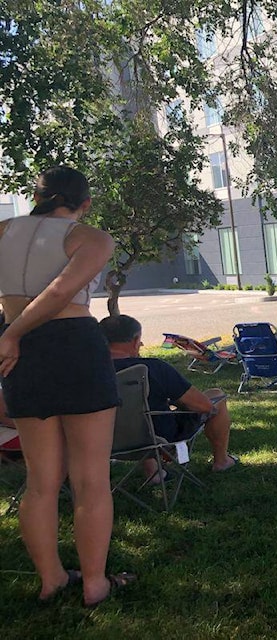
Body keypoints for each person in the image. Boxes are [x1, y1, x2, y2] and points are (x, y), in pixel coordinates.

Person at [0, 166, 133, 606]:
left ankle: (51, 579)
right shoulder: (92, 237)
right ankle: (95, 583)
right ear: (85, 202)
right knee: (91, 478)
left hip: (20, 353)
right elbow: (60, 293)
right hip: (72, 346)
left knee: (40, 480)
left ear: (36, 196)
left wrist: (10, 333)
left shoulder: (3, 230)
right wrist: (12, 335)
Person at [100, 315, 238, 477]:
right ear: (136, 340)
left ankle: (155, 473)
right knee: (217, 396)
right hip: (159, 439)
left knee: (138, 413)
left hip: (102, 441)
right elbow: (204, 407)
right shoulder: (154, 368)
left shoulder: (85, 373)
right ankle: (222, 461)